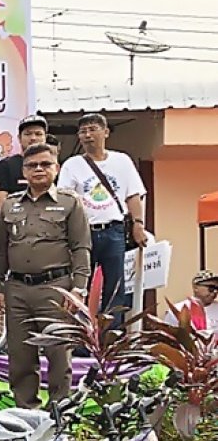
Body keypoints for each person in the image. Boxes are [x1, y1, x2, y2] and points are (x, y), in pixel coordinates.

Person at [0, 143, 91, 409]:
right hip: (17, 289)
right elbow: (0, 251)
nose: (38, 170)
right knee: (20, 355)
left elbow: (81, 247)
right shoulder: (10, 206)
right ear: (23, 171)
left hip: (56, 288)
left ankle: (60, 412)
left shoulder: (69, 203)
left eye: (45, 164)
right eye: (31, 165)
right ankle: (27, 411)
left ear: (56, 168)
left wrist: (79, 289)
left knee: (59, 353)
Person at [58, 112, 148, 319]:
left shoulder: (121, 161)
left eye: (93, 129)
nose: (87, 135)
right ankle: (81, 337)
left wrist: (138, 224)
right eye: (83, 131)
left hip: (114, 230)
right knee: (82, 284)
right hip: (83, 233)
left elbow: (133, 195)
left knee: (115, 284)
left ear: (106, 132)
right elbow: (64, 199)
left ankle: (111, 334)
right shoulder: (72, 164)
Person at [0, 114, 48, 209]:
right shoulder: (6, 165)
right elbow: (0, 201)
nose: (33, 138)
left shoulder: (52, 165)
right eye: (28, 134)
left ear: (45, 138)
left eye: (38, 134)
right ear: (19, 138)